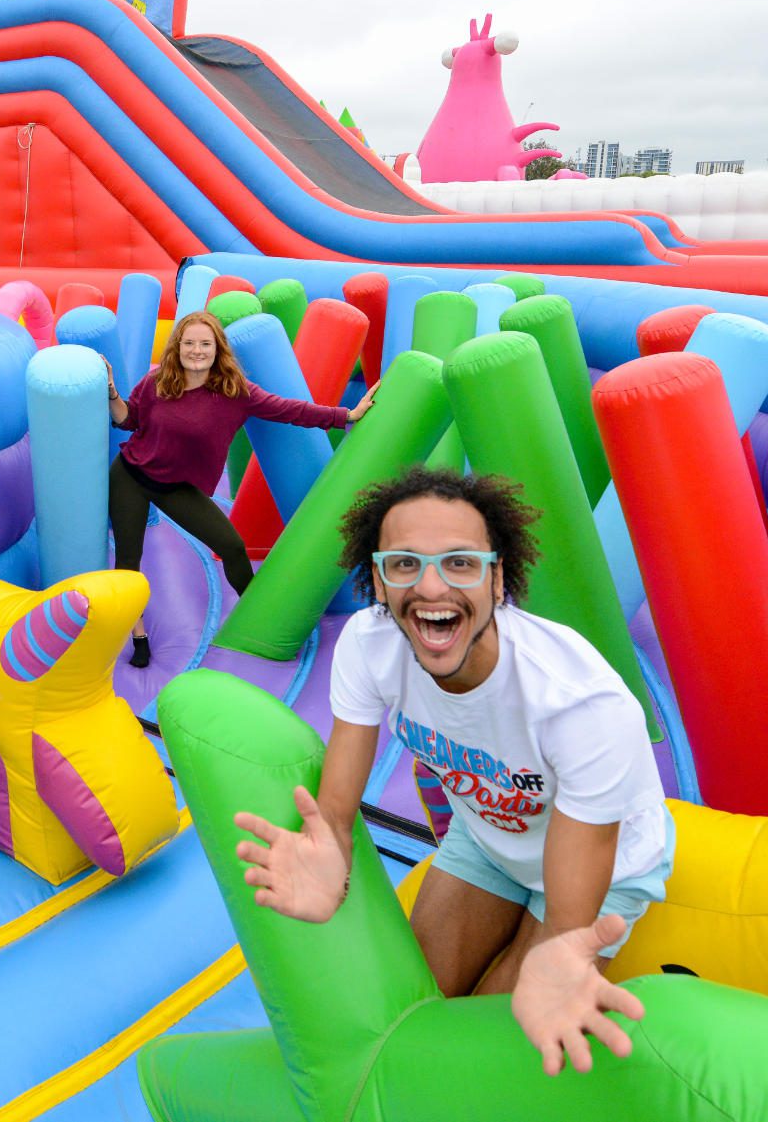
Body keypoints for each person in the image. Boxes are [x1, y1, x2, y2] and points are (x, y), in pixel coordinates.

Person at [231, 465, 671, 1056]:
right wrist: (331, 863)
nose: (432, 587)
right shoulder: (369, 645)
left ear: (498, 582)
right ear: (379, 582)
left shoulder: (576, 702)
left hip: (606, 861)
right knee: (409, 1011)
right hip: (488, 835)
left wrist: (559, 951)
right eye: (404, 563)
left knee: (483, 1042)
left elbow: (575, 888)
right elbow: (335, 811)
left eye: (460, 563)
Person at [106, 310, 374, 667]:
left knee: (232, 546)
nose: (196, 351)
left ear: (217, 349)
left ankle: (256, 618)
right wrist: (112, 394)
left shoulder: (236, 392)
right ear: (177, 347)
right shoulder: (157, 382)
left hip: (177, 488)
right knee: (128, 561)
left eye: (205, 344)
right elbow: (129, 420)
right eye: (189, 343)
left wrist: (346, 416)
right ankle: (138, 637)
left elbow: (289, 410)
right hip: (130, 477)